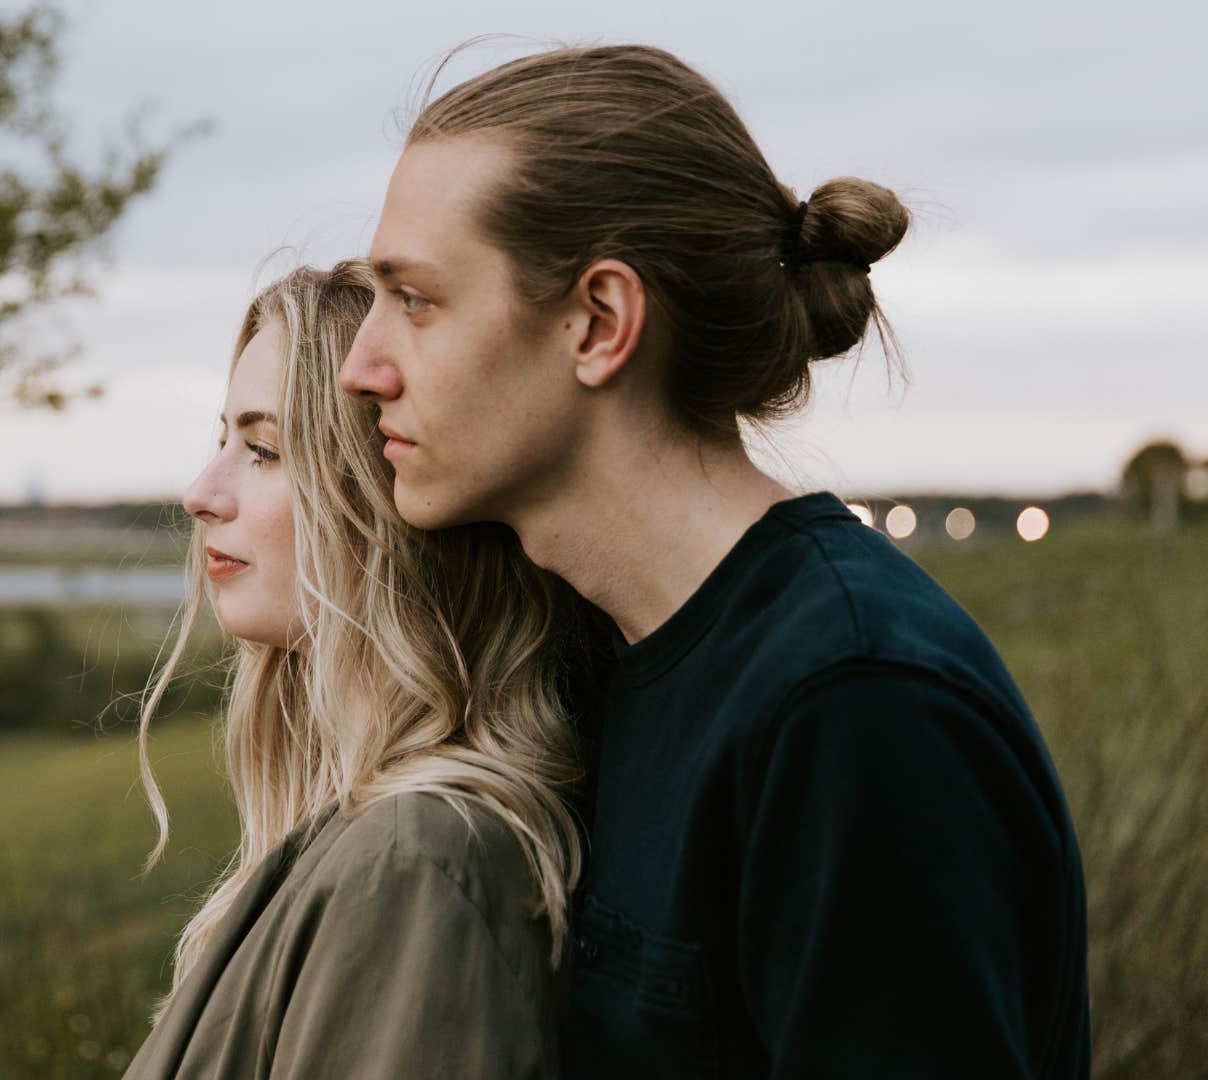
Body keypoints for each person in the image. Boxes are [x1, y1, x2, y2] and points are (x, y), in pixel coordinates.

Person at [338, 43, 1091, 1078]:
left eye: (414, 299)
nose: (358, 367)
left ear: (599, 323)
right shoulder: (611, 655)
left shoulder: (855, 705)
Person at [122, 261, 611, 1079]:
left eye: (264, 450)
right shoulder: (367, 834)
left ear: (388, 504)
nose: (201, 493)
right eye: (222, 442)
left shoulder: (418, 861)